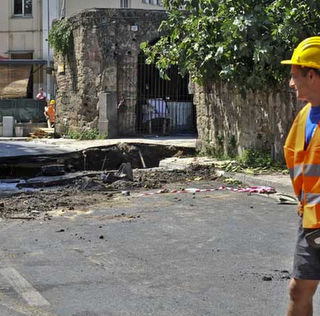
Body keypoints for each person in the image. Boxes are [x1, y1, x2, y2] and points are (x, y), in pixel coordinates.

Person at [281, 36, 320, 316]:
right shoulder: (304, 115)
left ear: (312, 74)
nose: (290, 83)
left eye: (295, 76)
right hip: (310, 221)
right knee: (298, 289)